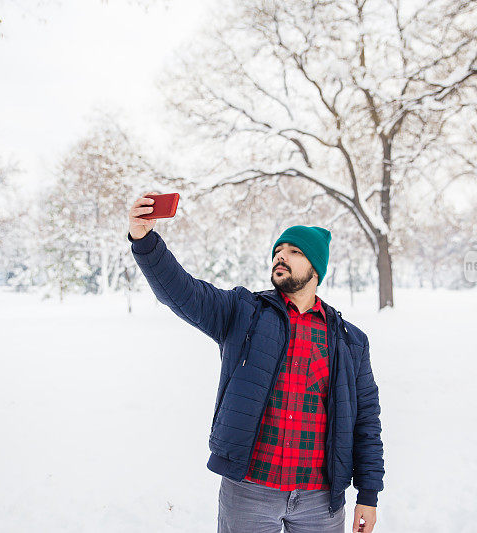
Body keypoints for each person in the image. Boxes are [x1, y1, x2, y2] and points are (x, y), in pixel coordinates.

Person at [127, 192, 384, 533]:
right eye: (278, 252)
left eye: (294, 252)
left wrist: (368, 493)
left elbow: (366, 421)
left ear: (317, 268)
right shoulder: (243, 312)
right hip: (250, 489)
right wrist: (144, 240)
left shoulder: (349, 340)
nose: (281, 257)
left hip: (320, 499)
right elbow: (181, 290)